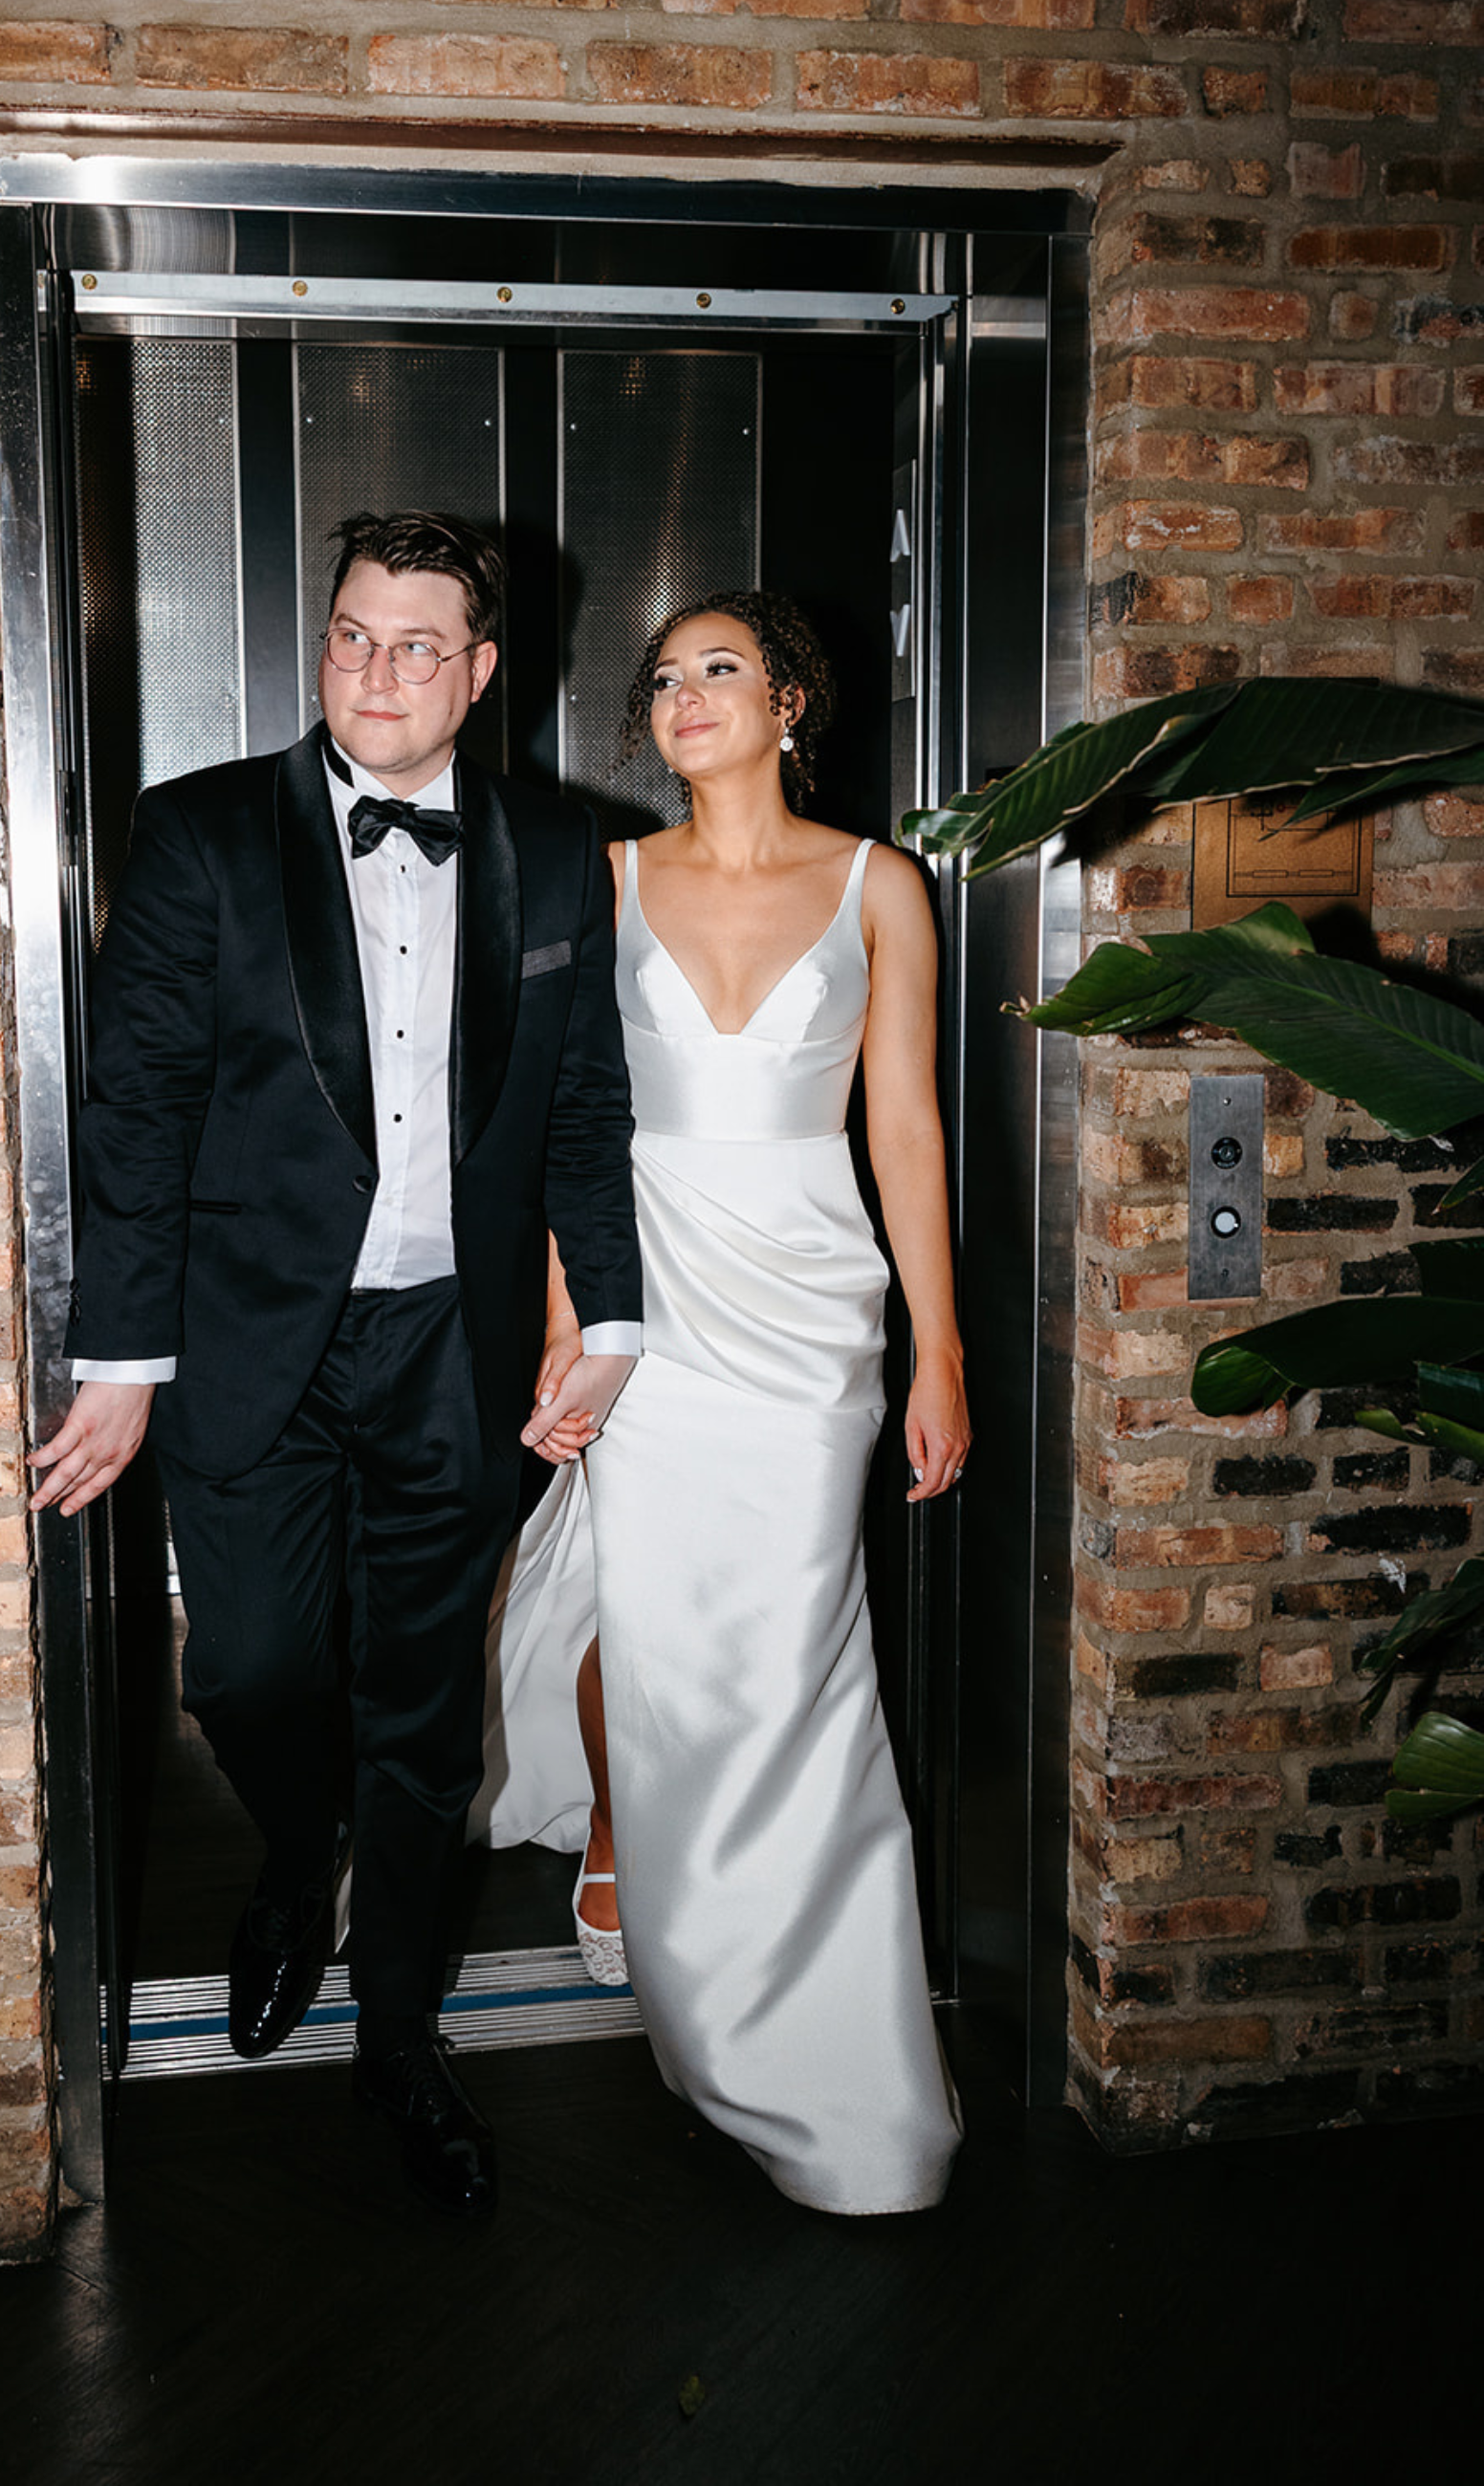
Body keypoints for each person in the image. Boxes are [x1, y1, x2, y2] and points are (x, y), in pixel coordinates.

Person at [31, 512, 643, 2220]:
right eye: (352, 636)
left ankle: (398, 2039)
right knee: (245, 1671)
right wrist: (121, 1358)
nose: (377, 671)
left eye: (417, 644)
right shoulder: (202, 830)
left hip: (449, 1344)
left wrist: (607, 1323)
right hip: (246, 1341)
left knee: (425, 1715)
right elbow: (137, 1108)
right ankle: (301, 1858)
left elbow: (584, 1106)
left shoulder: (557, 848)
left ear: (482, 670)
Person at [478, 590, 967, 2215]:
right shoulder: (607, 880)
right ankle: (628, 1830)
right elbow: (572, 1126)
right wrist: (568, 1326)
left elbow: (904, 1128)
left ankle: (816, 2026)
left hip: (812, 1312)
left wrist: (939, 1352)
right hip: (650, 1290)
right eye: (664, 678)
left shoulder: (879, 883)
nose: (683, 696)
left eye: (719, 669)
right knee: (648, 1610)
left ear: (787, 702)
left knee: (795, 1647)